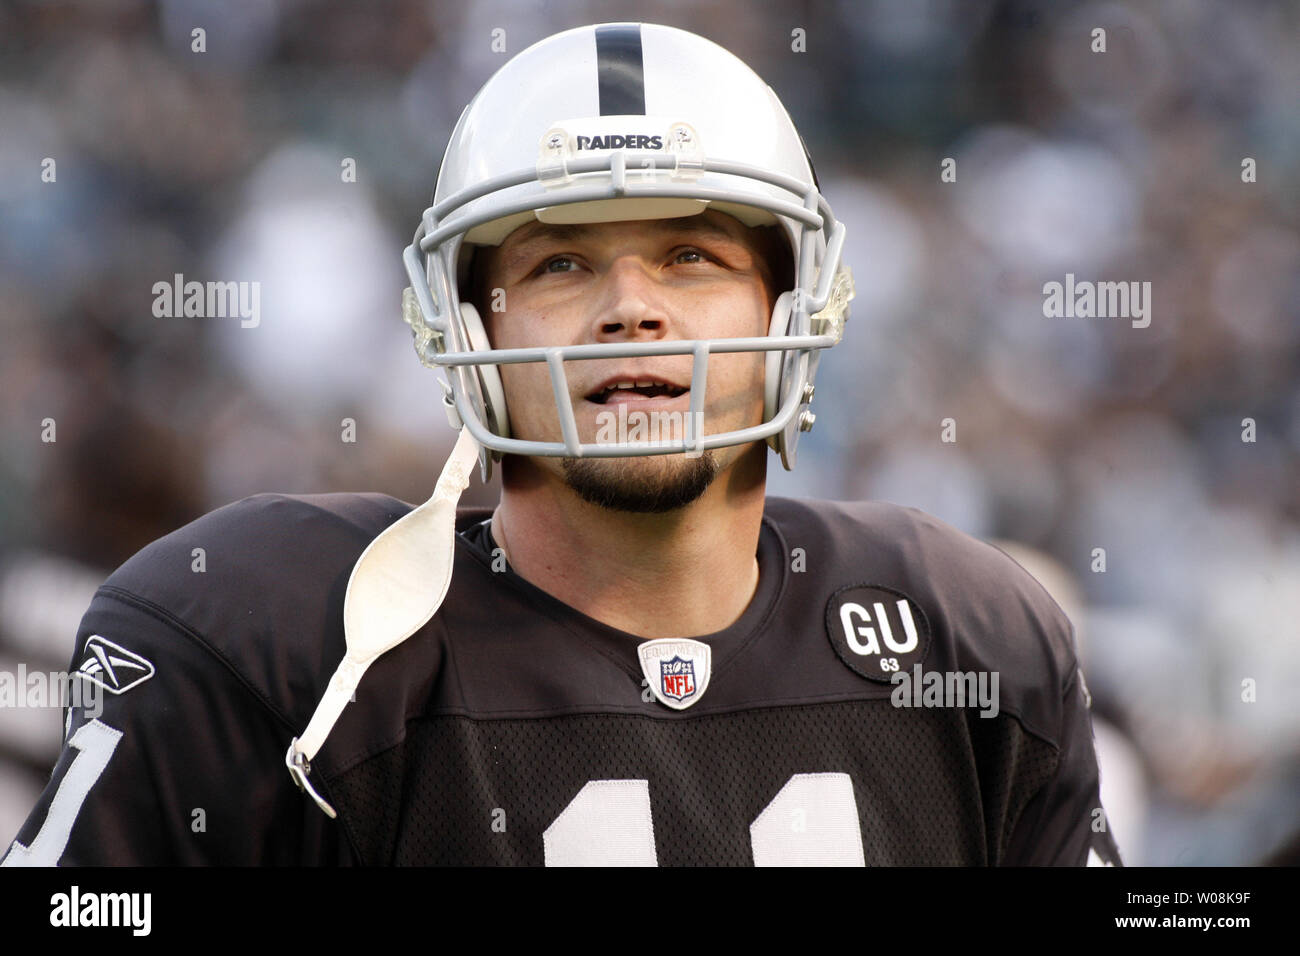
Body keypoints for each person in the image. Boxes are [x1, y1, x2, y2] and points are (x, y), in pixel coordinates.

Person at [2, 22, 1122, 866]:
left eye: (691, 256)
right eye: (559, 264)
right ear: (464, 320)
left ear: (793, 307)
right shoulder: (279, 641)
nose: (631, 308)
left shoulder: (964, 637)